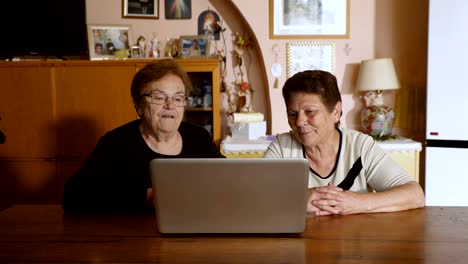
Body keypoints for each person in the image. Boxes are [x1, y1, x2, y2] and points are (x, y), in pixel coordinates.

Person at [62, 59, 225, 214]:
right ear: (139, 106)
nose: (170, 105)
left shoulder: (199, 138)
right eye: (159, 97)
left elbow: (229, 179)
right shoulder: (116, 143)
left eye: (177, 98)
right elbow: (73, 196)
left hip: (193, 231)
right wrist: (147, 197)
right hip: (133, 238)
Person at [264, 70, 425, 216]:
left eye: (310, 112)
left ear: (336, 112)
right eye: (292, 113)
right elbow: (254, 197)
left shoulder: (360, 146)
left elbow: (415, 195)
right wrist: (297, 200)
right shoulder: (281, 147)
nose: (299, 122)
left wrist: (358, 202)